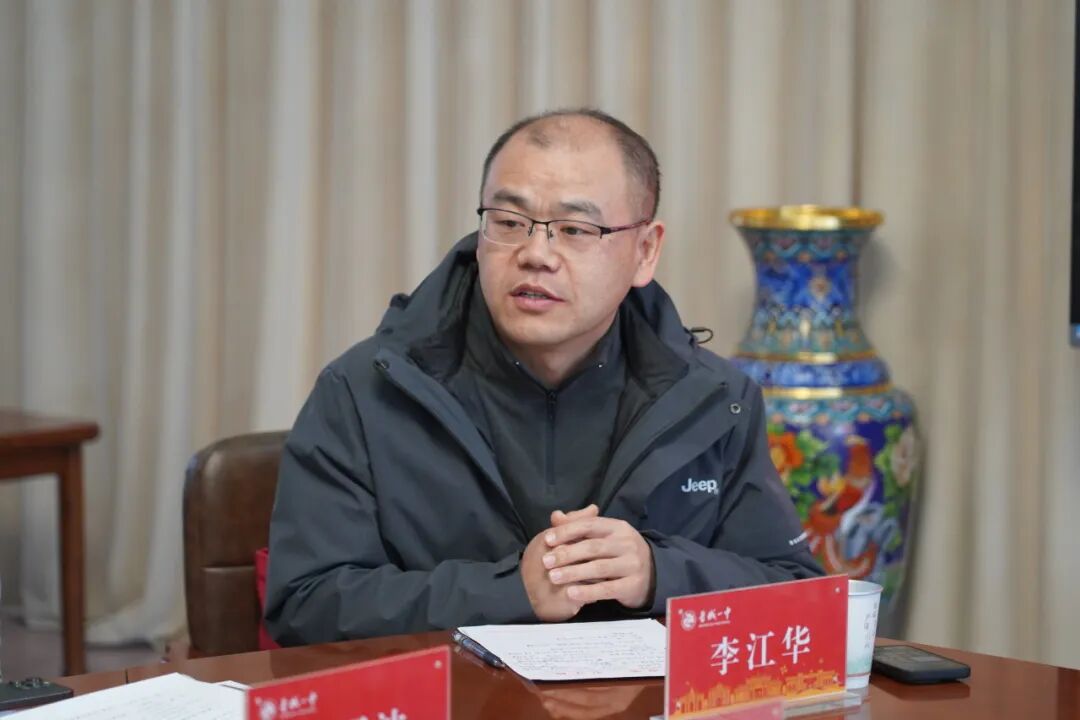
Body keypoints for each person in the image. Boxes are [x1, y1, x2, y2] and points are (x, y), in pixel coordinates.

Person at [264, 109, 822, 646]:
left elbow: (799, 592)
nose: (536, 254)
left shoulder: (713, 400)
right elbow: (306, 603)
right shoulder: (367, 390)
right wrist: (510, 592)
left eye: (575, 229)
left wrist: (659, 574)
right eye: (509, 223)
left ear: (645, 251)